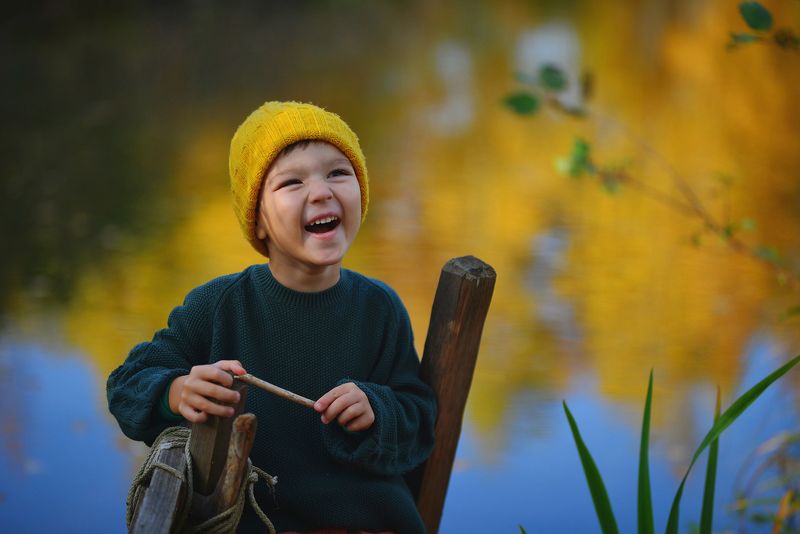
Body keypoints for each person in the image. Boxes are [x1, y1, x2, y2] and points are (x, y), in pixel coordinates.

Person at [107, 101, 437, 533]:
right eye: (292, 182)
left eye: (338, 172)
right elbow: (125, 386)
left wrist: (377, 410)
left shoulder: (380, 310)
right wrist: (175, 390)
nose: (321, 192)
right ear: (258, 220)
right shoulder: (219, 306)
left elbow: (418, 423)